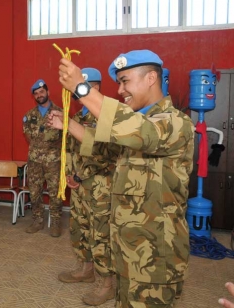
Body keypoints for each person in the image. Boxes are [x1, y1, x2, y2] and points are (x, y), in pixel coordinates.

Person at [50, 50, 194, 307]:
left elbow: (143, 133)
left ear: (151, 78)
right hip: (127, 251)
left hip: (155, 257)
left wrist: (81, 89)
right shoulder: (134, 124)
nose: (120, 90)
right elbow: (101, 146)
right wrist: (69, 125)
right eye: (118, 82)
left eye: (125, 81)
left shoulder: (175, 123)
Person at [54, 68, 120, 306]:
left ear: (96, 88)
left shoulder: (106, 117)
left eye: (79, 86)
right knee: (80, 229)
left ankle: (107, 285)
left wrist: (80, 176)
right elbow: (73, 151)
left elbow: (103, 155)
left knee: (100, 234)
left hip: (100, 187)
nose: (74, 93)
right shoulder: (79, 116)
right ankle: (86, 269)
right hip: (80, 185)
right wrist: (71, 176)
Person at [22, 79, 63, 236]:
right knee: (35, 192)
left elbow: (64, 136)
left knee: (55, 192)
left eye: (41, 92)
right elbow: (27, 136)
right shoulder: (29, 116)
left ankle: (56, 222)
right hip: (34, 160)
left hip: (53, 160)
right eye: (36, 93)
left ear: (48, 92)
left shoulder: (59, 112)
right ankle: (37, 220)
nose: (39, 95)